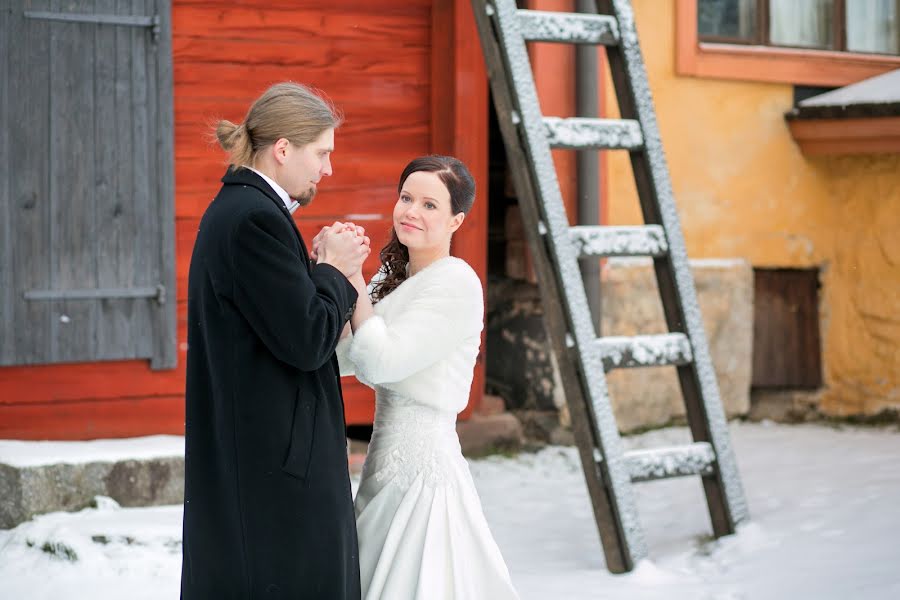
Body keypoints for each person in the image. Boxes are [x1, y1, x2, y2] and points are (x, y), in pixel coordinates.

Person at [181, 82, 369, 599]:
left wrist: (313, 272)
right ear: (283, 149)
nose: (327, 169)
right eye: (321, 153)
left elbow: (279, 322)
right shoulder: (254, 219)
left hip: (262, 454)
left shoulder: (246, 211)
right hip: (273, 466)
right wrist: (333, 269)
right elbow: (309, 338)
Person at [333, 155, 520, 599]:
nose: (411, 211)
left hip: (423, 466)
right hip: (383, 457)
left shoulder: (456, 283)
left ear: (457, 220)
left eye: (430, 205)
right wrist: (334, 283)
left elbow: (379, 362)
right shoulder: (389, 279)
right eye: (406, 197)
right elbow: (346, 358)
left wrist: (353, 282)